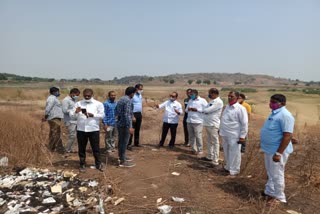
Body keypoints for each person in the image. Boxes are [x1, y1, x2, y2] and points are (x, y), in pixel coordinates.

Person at [260, 94, 294, 205]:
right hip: (269, 149)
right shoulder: (275, 114)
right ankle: (270, 192)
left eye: (274, 102)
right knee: (271, 172)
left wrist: (279, 153)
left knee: (277, 173)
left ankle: (279, 197)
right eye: (271, 101)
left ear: (282, 103)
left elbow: (287, 135)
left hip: (277, 151)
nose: (271, 103)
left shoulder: (285, 115)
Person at [70, 88, 105, 172]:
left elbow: (102, 115)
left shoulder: (98, 104)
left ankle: (98, 164)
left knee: (95, 148)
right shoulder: (78, 103)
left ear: (92, 95)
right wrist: (76, 112)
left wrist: (93, 115)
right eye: (85, 96)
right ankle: (82, 164)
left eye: (88, 96)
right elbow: (72, 116)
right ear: (83, 95)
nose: (87, 97)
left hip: (93, 129)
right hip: (81, 129)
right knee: (81, 148)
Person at [219, 91, 248, 176]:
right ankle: (228, 167)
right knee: (226, 152)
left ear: (237, 97)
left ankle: (234, 171)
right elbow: (224, 119)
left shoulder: (240, 108)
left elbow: (244, 123)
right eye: (228, 96)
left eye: (231, 96)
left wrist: (242, 136)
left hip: (234, 135)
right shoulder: (227, 107)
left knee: (235, 153)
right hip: (225, 134)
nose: (229, 98)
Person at [201, 88, 223, 166]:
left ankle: (215, 160)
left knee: (215, 142)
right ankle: (210, 156)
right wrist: (205, 110)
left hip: (213, 124)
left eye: (210, 93)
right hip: (208, 123)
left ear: (214, 93)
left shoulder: (218, 102)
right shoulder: (212, 101)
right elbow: (205, 109)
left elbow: (206, 110)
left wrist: (205, 110)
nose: (209, 95)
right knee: (209, 141)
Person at [116, 87, 136, 167]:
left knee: (121, 141)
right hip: (125, 125)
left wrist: (133, 116)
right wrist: (130, 126)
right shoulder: (128, 100)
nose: (134, 95)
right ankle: (122, 161)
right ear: (132, 93)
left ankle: (122, 156)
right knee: (124, 142)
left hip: (120, 123)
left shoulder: (121, 99)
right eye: (134, 93)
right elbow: (127, 114)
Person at [185, 89, 208, 155]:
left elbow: (206, 110)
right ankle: (193, 149)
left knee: (198, 136)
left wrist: (197, 110)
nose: (190, 95)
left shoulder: (202, 100)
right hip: (189, 121)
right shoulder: (190, 100)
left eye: (192, 94)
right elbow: (186, 110)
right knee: (191, 136)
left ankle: (200, 150)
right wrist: (188, 109)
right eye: (190, 94)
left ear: (196, 94)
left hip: (198, 121)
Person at [43, 87, 65, 153]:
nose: (59, 93)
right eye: (58, 91)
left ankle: (51, 148)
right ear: (54, 92)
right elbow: (48, 108)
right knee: (56, 133)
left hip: (55, 117)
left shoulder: (54, 98)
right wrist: (46, 116)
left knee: (53, 133)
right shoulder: (52, 98)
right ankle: (59, 149)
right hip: (53, 118)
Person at [62, 88, 81, 153]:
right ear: (72, 93)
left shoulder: (74, 100)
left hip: (76, 120)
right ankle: (67, 149)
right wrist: (74, 111)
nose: (77, 96)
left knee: (77, 135)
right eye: (77, 95)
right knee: (72, 136)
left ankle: (74, 148)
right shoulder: (66, 100)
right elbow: (64, 110)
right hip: (69, 121)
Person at [128, 84, 143, 149]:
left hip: (139, 114)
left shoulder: (140, 95)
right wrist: (132, 116)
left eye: (141, 89)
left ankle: (136, 143)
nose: (141, 90)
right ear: (136, 89)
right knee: (132, 129)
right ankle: (128, 144)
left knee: (137, 129)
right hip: (133, 114)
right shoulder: (132, 96)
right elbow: (130, 106)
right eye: (140, 89)